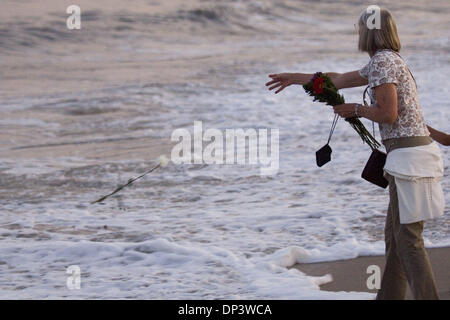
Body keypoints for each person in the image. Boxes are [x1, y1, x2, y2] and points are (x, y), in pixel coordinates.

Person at [265, 7, 446, 300]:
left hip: (410, 159)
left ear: (369, 31)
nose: (357, 32)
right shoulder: (386, 61)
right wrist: (295, 78)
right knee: (396, 239)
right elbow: (337, 80)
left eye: (359, 27)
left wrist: (356, 110)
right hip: (410, 156)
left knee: (409, 241)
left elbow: (388, 114)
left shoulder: (383, 62)